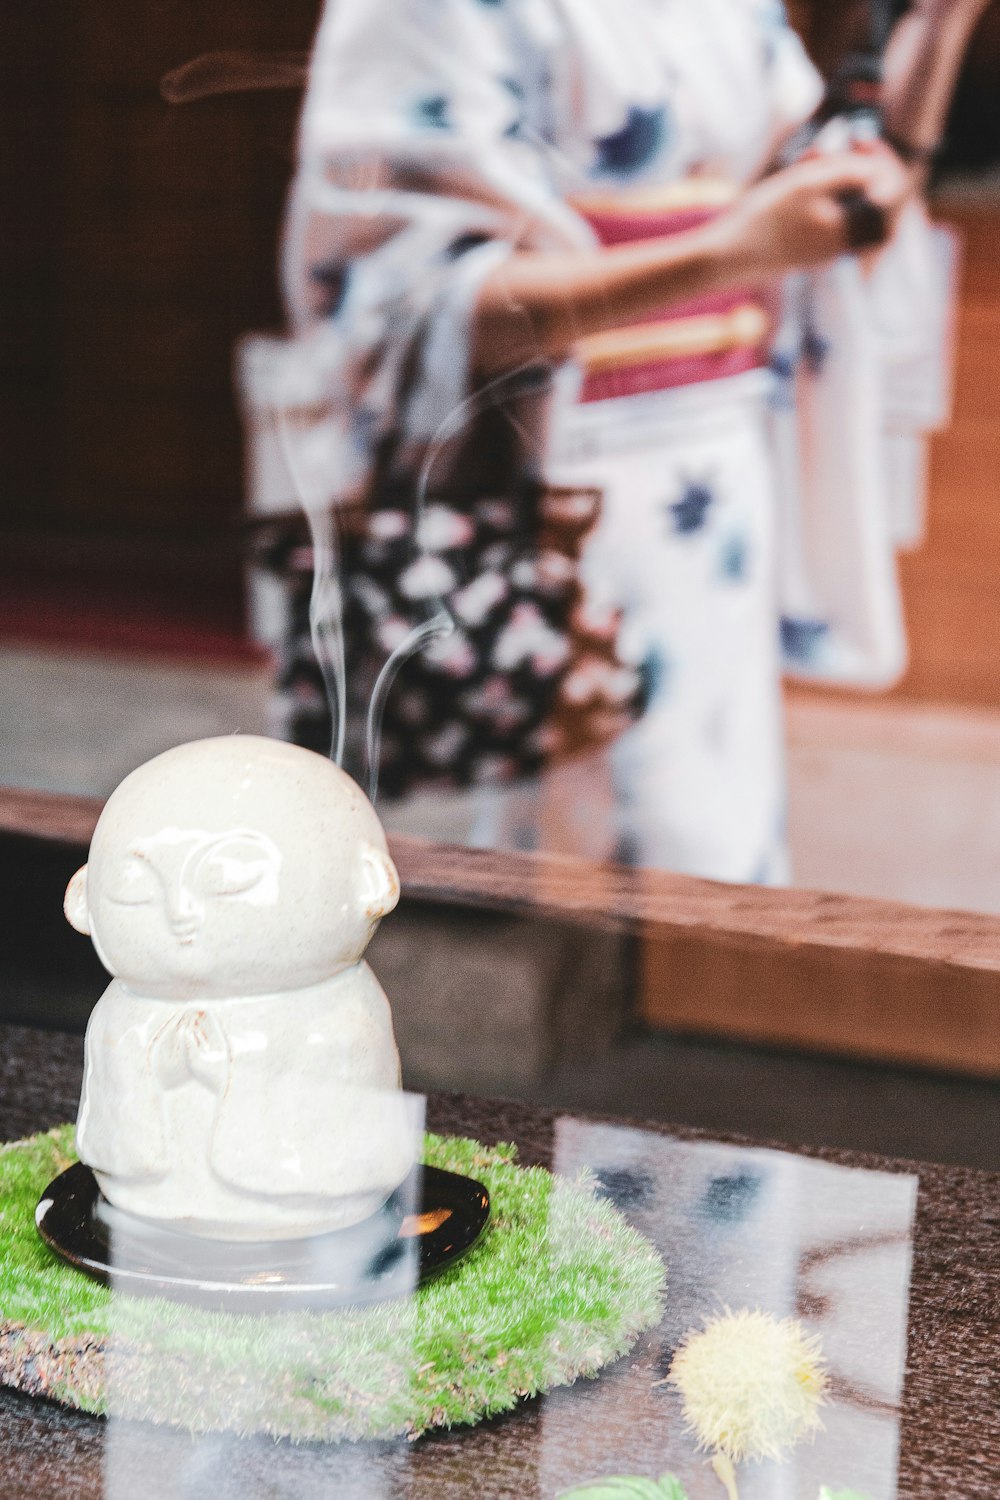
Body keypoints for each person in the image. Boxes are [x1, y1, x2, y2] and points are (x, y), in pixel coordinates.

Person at [267, 0, 988, 882]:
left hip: (718, 463)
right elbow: (390, 299)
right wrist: (729, 250)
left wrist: (939, 28)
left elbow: (829, 209)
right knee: (552, 856)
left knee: (709, 836)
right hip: (543, 479)